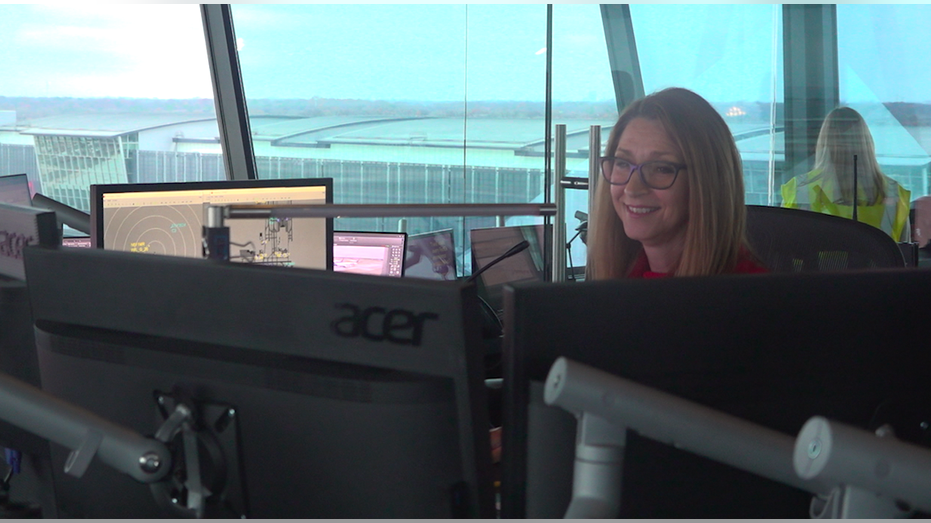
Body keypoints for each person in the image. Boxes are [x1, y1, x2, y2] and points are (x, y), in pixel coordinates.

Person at [587, 87, 767, 279]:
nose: (632, 188)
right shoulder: (623, 277)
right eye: (622, 163)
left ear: (705, 182)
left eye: (661, 168)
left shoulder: (752, 299)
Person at [780, 106, 911, 242]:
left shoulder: (799, 189)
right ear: (866, 143)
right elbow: (904, 253)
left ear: (824, 143)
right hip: (877, 264)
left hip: (817, 264)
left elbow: (785, 245)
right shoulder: (895, 193)